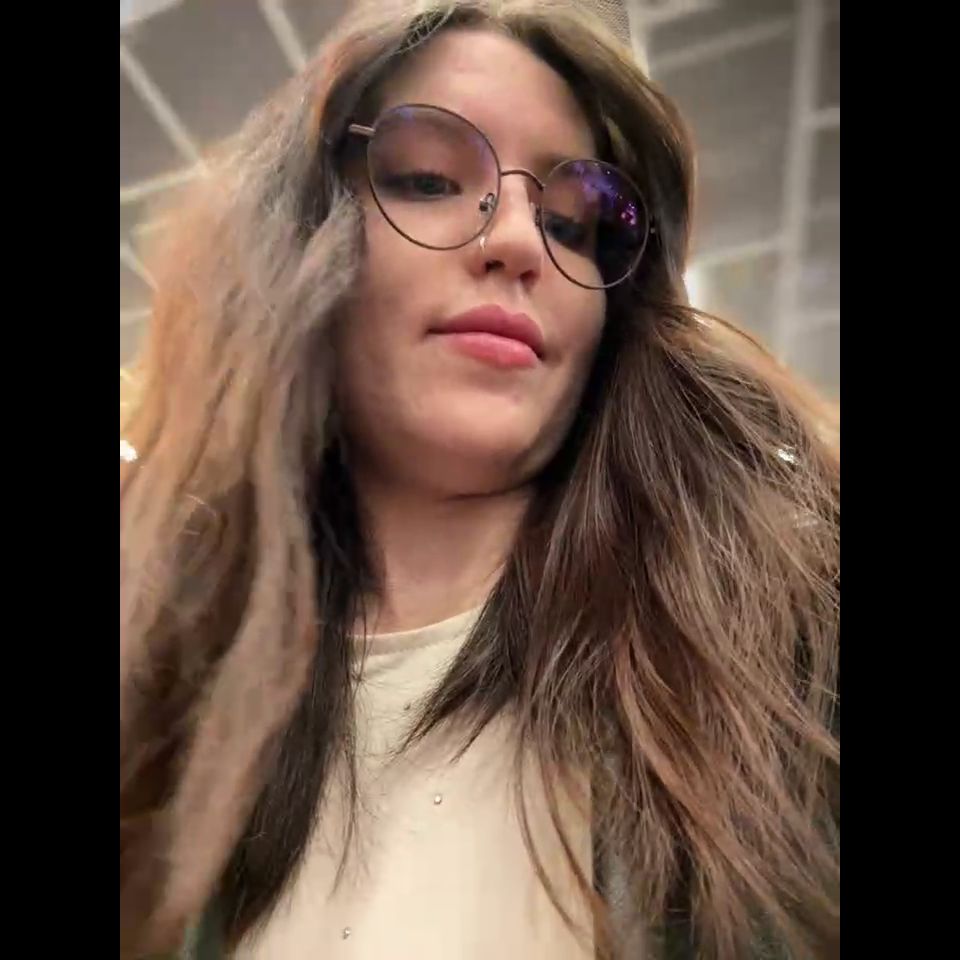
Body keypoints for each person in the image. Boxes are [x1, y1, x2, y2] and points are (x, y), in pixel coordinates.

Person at [119, 1, 840, 958]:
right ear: (296, 237)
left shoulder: (789, 642)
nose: (523, 242)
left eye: (576, 224)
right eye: (427, 179)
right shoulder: (157, 672)